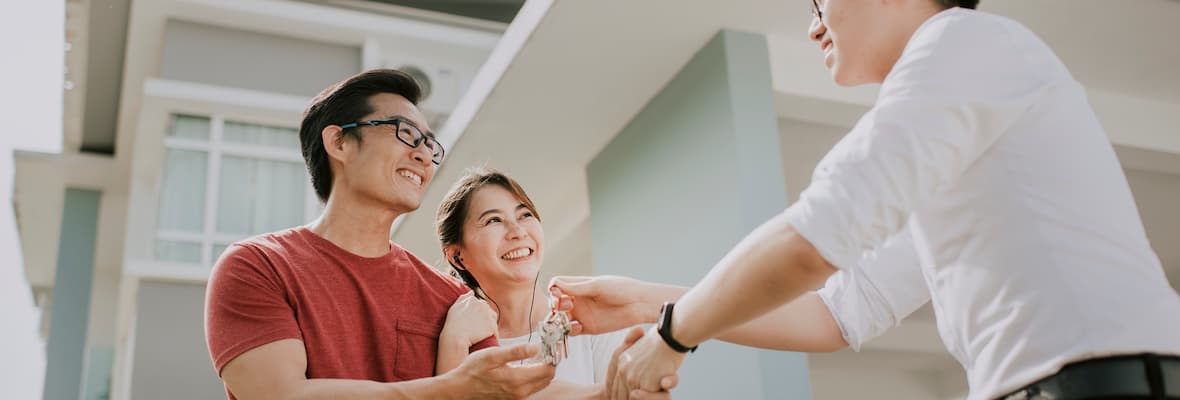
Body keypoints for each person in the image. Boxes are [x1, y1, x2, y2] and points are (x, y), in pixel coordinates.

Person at [573, 1, 1180, 399]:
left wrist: (673, 337)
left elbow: (813, 242)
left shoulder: (964, 45)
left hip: (1104, 384)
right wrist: (643, 304)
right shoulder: (951, 105)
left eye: (818, 1)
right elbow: (840, 311)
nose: (812, 23)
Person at [203, 69, 556, 400]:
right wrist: (445, 387)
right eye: (404, 132)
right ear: (339, 142)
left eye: (429, 145)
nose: (423, 155)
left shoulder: (452, 300)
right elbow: (282, 394)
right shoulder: (257, 266)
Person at [433, 167, 665, 399]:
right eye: (493, 220)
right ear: (457, 256)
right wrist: (452, 346)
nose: (517, 231)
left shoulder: (593, 323)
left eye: (525, 215)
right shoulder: (455, 340)